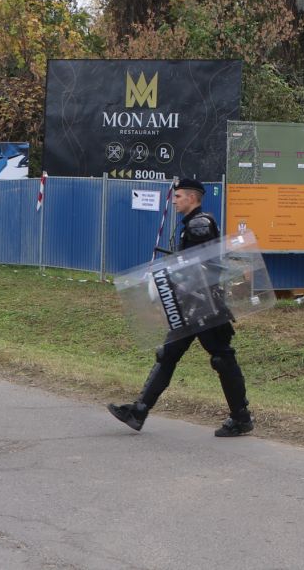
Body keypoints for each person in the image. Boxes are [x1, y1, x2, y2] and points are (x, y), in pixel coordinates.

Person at [108, 178, 255, 437]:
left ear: (191, 197)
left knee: (222, 357)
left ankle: (241, 418)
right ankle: (139, 411)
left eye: (178, 197)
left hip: (206, 304)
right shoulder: (190, 224)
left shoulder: (199, 224)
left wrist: (171, 276)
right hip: (190, 305)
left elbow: (199, 266)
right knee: (168, 354)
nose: (174, 200)